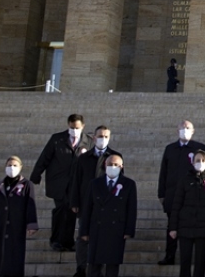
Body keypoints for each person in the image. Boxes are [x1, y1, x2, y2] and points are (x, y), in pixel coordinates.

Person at [30, 113, 92, 252]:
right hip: (59, 182)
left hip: (76, 184)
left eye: (77, 127)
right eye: (71, 127)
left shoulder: (88, 141)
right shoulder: (57, 139)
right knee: (61, 210)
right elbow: (45, 157)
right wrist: (36, 175)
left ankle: (67, 241)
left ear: (83, 126)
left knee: (71, 211)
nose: (74, 130)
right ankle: (56, 240)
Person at [69, 126, 121, 277]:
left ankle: (101, 268)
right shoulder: (84, 159)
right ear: (93, 138)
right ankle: (81, 267)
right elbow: (76, 181)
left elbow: (120, 184)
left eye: (106, 136)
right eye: (100, 136)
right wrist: (74, 202)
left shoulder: (115, 157)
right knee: (83, 237)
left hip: (106, 206)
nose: (102, 139)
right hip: (86, 203)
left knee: (105, 238)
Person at [0, 156, 39, 277]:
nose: (11, 168)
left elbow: (30, 206)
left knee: (13, 259)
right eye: (9, 165)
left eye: (15, 165)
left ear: (21, 167)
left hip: (15, 228)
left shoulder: (26, 185)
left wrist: (31, 224)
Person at [157, 120, 205, 265]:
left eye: (188, 128)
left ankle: (192, 258)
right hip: (173, 193)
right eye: (182, 128)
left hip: (192, 194)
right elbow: (163, 172)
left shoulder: (199, 148)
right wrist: (161, 193)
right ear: (177, 130)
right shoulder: (170, 148)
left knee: (193, 226)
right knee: (172, 225)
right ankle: (170, 256)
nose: (185, 130)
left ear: (193, 130)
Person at [80, 153, 136, 277]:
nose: (113, 167)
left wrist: (129, 230)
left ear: (122, 166)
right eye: (110, 164)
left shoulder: (129, 184)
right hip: (97, 228)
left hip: (117, 229)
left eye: (116, 165)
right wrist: (84, 231)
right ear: (105, 165)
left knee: (112, 265)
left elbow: (131, 209)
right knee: (94, 265)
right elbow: (87, 208)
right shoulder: (95, 183)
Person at [168, 149, 205, 277]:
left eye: (203, 161)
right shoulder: (185, 180)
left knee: (200, 263)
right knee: (185, 262)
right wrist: (173, 227)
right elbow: (176, 204)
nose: (200, 163)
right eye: (197, 160)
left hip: (204, 227)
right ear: (192, 162)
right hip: (185, 226)